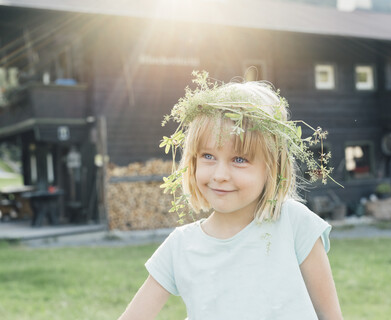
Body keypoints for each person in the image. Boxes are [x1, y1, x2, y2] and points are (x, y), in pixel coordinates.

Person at [119, 71, 343, 320]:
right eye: (208, 156)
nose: (220, 174)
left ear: (272, 166)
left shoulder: (295, 224)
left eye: (239, 159)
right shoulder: (180, 246)